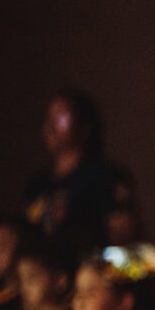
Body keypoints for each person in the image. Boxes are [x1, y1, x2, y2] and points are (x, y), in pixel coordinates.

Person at [23, 89, 133, 260]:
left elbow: (122, 234)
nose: (51, 126)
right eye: (49, 118)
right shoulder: (37, 184)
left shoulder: (104, 177)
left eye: (61, 119)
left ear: (84, 126)